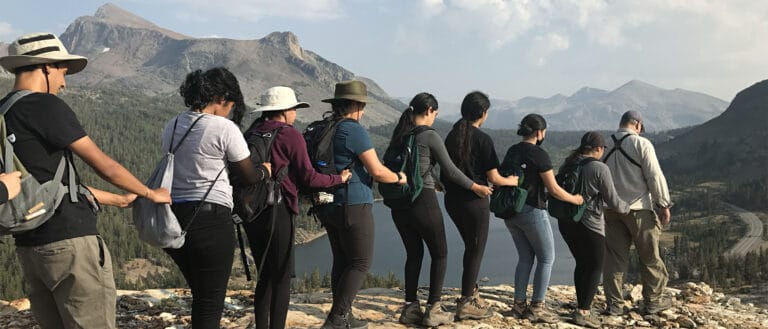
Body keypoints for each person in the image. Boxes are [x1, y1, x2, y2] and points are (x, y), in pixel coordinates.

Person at [0, 32, 171, 329]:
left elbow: (48, 183)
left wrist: (119, 200)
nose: (64, 82)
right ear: (46, 67)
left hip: (29, 248)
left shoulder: (3, 112)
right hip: (69, 243)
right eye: (63, 72)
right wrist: (150, 193)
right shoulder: (44, 106)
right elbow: (103, 164)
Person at [162, 67, 271, 328]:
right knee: (210, 302)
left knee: (202, 294)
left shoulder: (173, 124)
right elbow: (246, 175)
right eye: (231, 105)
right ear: (222, 98)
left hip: (174, 218)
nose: (230, 111)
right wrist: (264, 171)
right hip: (210, 221)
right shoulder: (224, 128)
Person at [242, 86, 351, 329]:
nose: (295, 113)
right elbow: (309, 177)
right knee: (281, 277)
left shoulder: (253, 132)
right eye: (293, 109)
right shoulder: (288, 134)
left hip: (252, 210)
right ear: (284, 111)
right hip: (278, 210)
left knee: (266, 277)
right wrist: (338, 179)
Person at [385, 92, 495, 326]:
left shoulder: (400, 135)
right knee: (440, 253)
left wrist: (435, 180)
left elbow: (421, 166)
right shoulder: (429, 135)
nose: (435, 117)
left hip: (399, 204)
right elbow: (452, 170)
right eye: (435, 113)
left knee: (413, 255)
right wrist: (476, 187)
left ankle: (410, 308)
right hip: (422, 200)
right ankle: (433, 309)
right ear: (429, 111)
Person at [316, 80, 405, 329]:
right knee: (360, 262)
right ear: (355, 105)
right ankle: (336, 319)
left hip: (329, 203)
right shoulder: (353, 130)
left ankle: (346, 316)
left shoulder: (327, 127)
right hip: (354, 203)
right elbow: (377, 171)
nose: (363, 111)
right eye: (362, 106)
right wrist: (399, 177)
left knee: (342, 261)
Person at [442, 91, 518, 321]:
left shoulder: (451, 136)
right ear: (483, 114)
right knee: (475, 251)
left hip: (452, 201)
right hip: (474, 202)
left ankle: (471, 293)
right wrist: (512, 181)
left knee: (470, 247)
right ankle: (466, 303)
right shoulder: (483, 139)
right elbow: (493, 177)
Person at [503, 113, 583, 323]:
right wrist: (575, 200)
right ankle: (537, 307)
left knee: (525, 258)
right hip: (532, 211)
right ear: (539, 132)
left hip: (511, 213)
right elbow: (554, 189)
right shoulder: (539, 154)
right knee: (547, 258)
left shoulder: (512, 151)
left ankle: (518, 305)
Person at [602, 110, 673, 316]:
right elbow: (654, 175)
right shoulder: (642, 144)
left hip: (611, 210)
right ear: (638, 125)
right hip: (638, 209)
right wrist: (663, 204)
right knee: (650, 257)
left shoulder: (604, 144)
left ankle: (614, 305)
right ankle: (652, 301)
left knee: (614, 260)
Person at [556, 132, 629, 328]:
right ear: (599, 149)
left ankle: (581, 306)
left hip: (566, 222)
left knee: (582, 264)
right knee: (596, 265)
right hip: (590, 224)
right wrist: (628, 208)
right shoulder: (599, 168)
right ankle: (583, 312)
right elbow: (613, 200)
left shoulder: (568, 164)